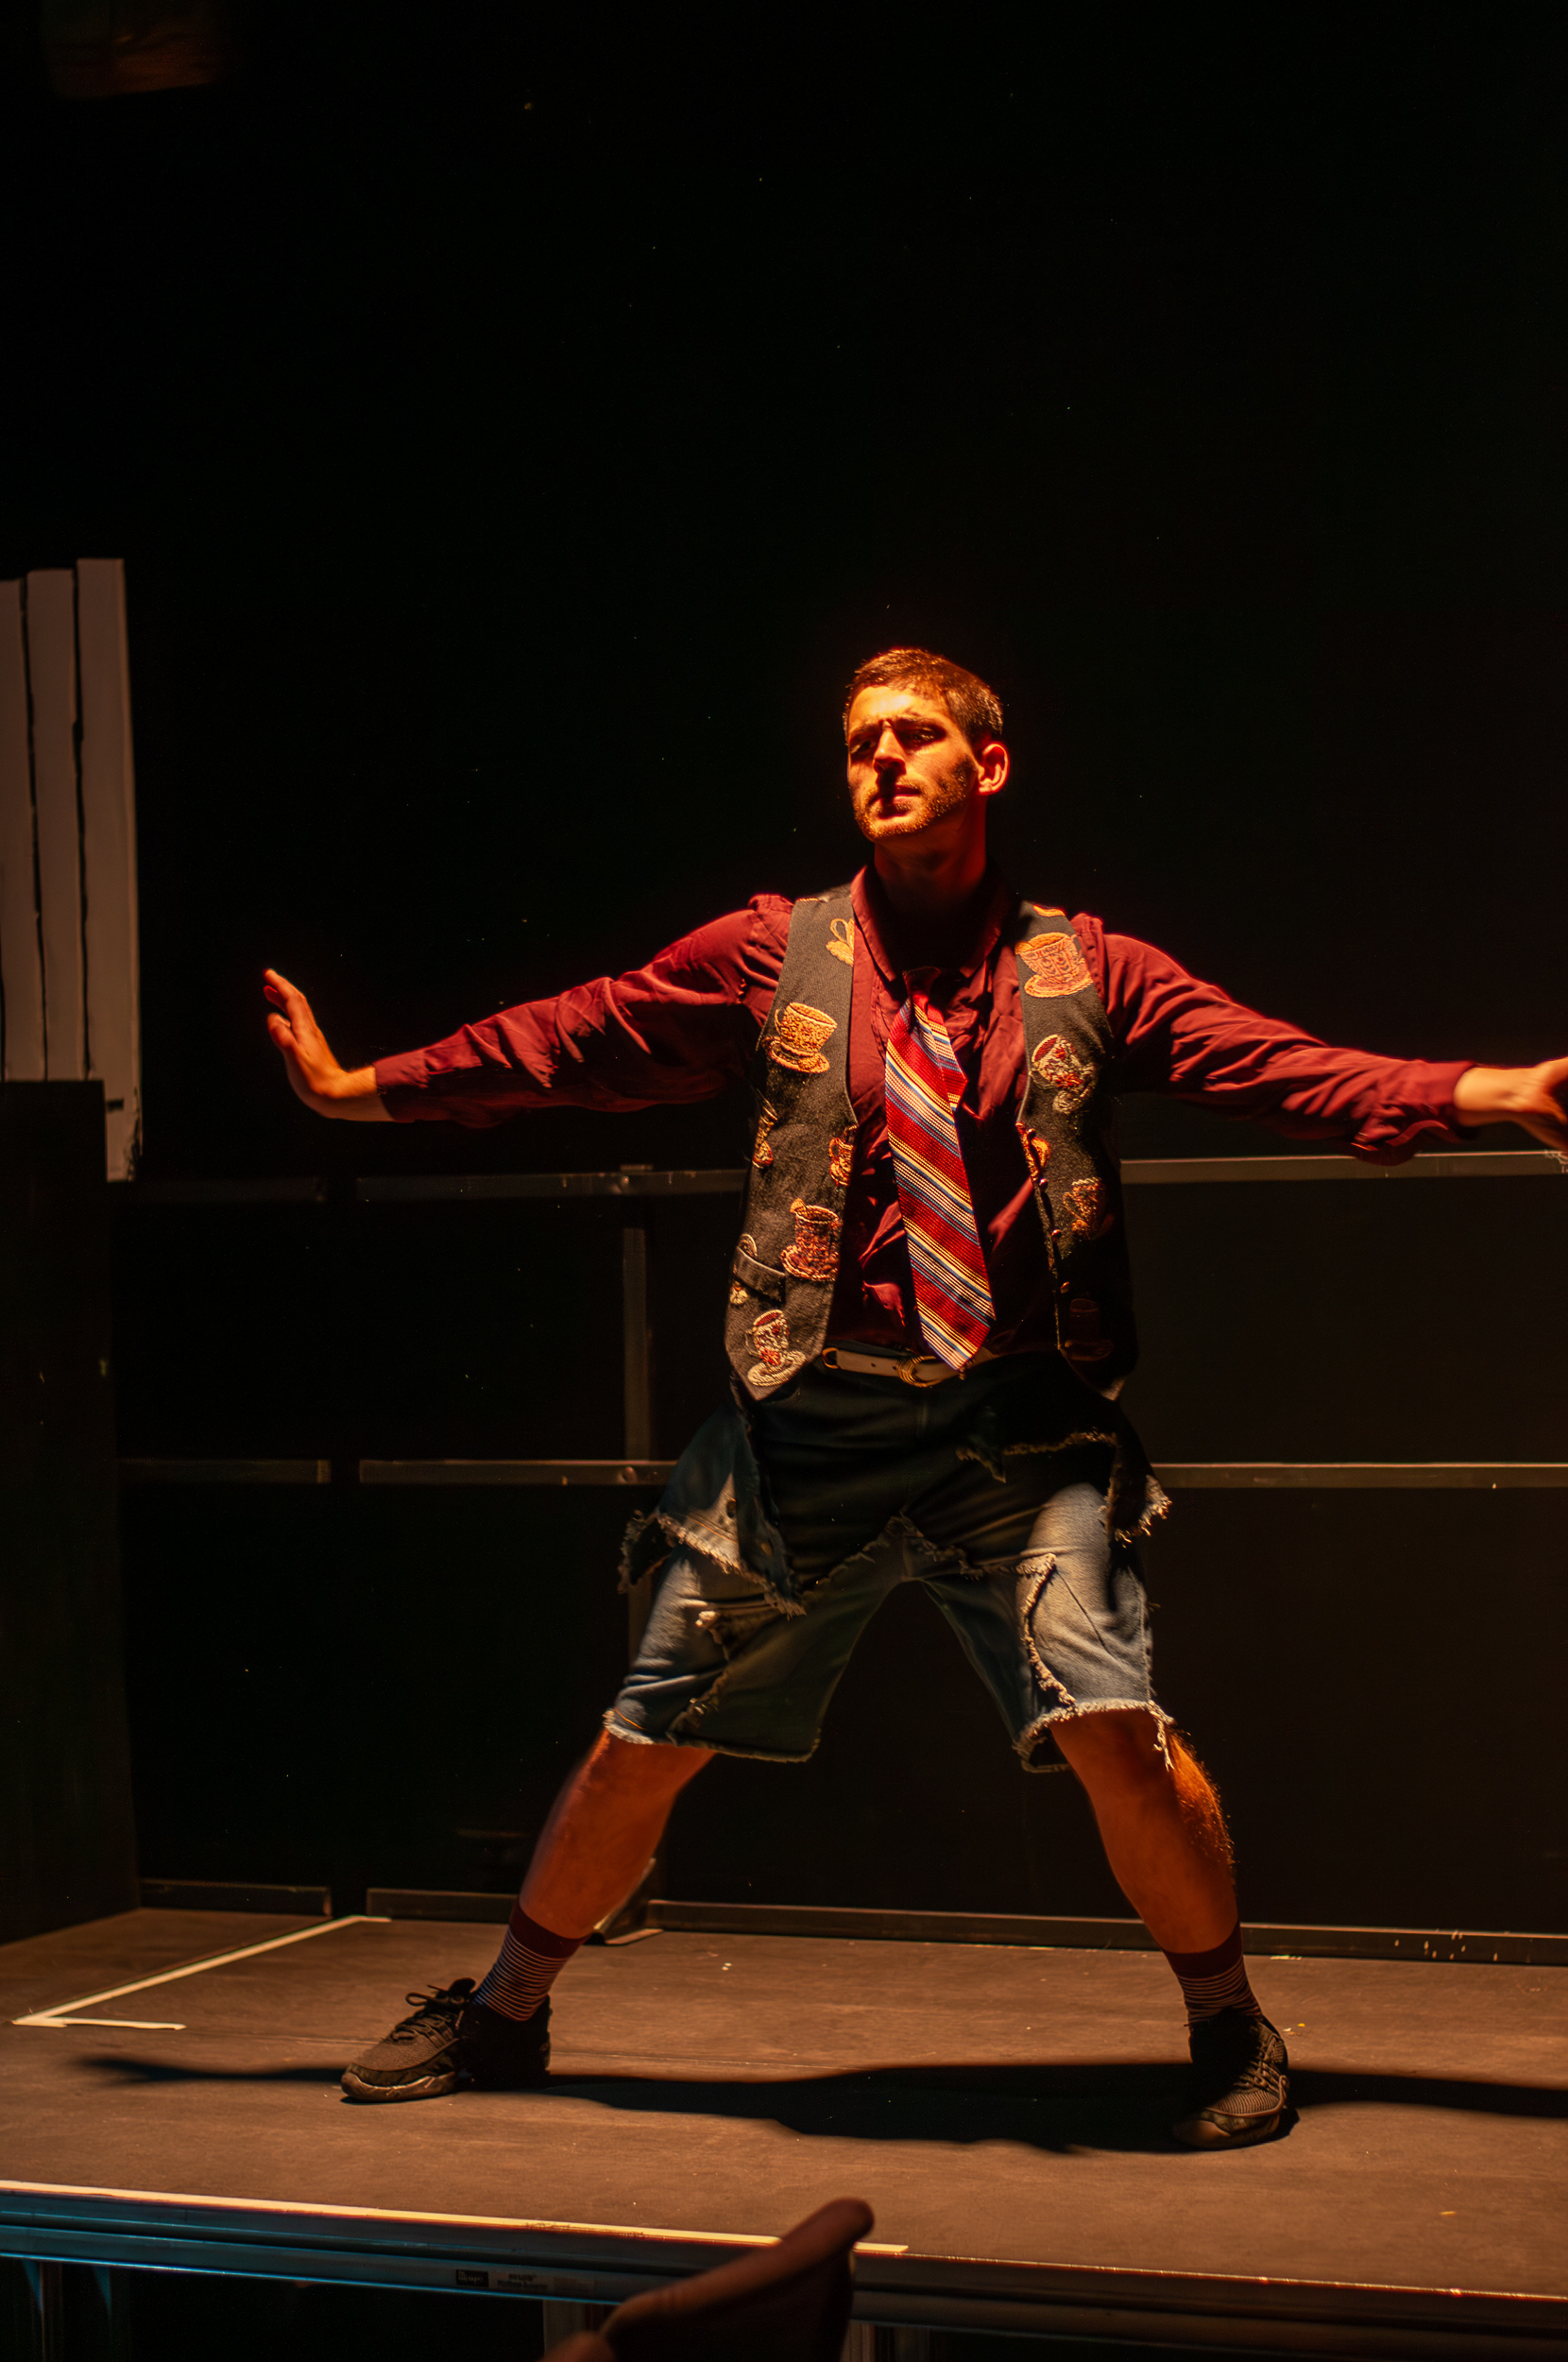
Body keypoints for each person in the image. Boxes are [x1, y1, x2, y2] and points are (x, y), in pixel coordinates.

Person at [264, 646, 1568, 2148]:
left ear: (986, 764)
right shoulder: (775, 951)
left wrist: (1492, 1091)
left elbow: (1278, 1066)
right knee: (644, 1737)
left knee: (1114, 1725)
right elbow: (577, 1037)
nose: (882, 761)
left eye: (913, 735)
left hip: (1018, 1437)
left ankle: (1229, 2027)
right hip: (807, 1432)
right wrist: (362, 1089)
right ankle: (503, 2013)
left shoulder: (1090, 971)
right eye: (860, 744)